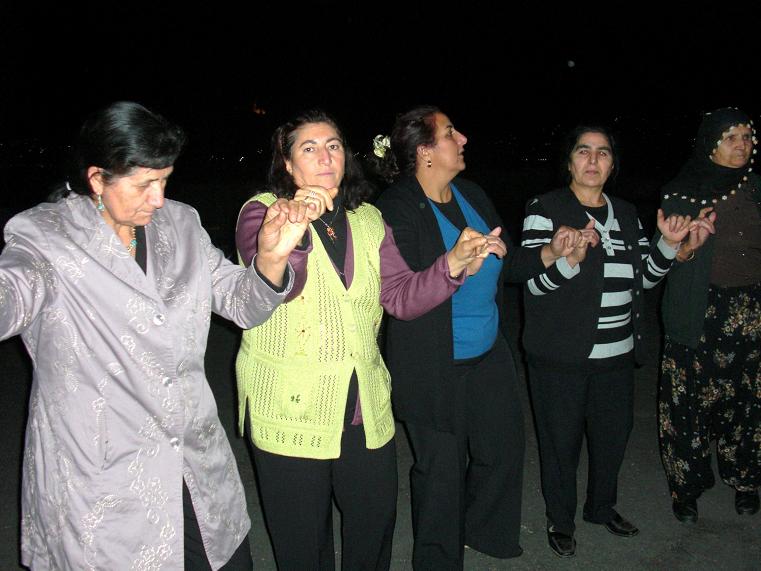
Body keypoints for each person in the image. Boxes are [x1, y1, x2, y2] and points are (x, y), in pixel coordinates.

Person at [0, 101, 313, 570]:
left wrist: (270, 259)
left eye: (165, 180)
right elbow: (11, 295)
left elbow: (240, 304)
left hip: (196, 467)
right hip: (104, 487)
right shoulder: (46, 239)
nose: (159, 198)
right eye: (144, 184)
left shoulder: (182, 225)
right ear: (96, 179)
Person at [234, 108, 498, 570]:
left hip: (364, 406)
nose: (325, 157)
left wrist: (453, 264)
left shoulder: (369, 219)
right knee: (302, 544)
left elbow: (400, 298)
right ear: (288, 163)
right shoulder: (263, 213)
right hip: (290, 408)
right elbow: (278, 287)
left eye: (333, 145)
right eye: (309, 148)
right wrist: (296, 233)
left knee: (373, 528)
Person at [372, 105, 596, 569]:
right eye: (450, 133)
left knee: (503, 448)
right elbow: (402, 295)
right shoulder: (396, 207)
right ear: (425, 152)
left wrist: (552, 251)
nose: (463, 139)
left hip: (488, 351)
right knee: (441, 471)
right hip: (434, 361)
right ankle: (437, 560)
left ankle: (483, 532)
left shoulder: (471, 194)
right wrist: (454, 264)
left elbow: (508, 262)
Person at [520, 125, 711, 558]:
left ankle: (601, 507)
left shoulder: (624, 213)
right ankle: (560, 519)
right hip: (561, 356)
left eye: (603, 153)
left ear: (612, 164)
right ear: (569, 161)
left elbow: (644, 278)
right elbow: (532, 282)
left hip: (617, 354)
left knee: (612, 438)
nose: (593, 160)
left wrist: (669, 244)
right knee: (561, 444)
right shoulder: (545, 208)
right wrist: (566, 259)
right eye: (583, 151)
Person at [659, 107, 760, 523]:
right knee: (688, 405)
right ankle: (686, 488)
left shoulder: (756, 188)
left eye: (747, 137)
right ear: (710, 144)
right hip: (697, 309)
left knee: (748, 402)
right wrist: (685, 247)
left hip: (751, 310)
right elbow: (661, 261)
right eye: (730, 137)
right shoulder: (682, 193)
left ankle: (746, 479)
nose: (741, 144)